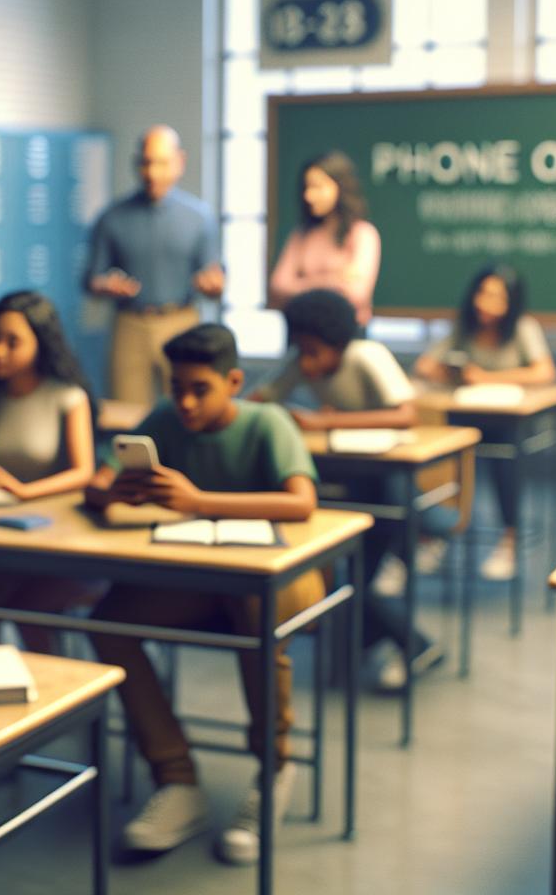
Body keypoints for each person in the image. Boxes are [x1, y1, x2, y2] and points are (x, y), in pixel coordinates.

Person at [84, 323, 321, 865]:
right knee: (108, 625)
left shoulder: (269, 422)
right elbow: (99, 480)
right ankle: (177, 780)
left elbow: (301, 503)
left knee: (253, 609)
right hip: (203, 581)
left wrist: (198, 501)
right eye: (176, 388)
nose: (185, 402)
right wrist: (112, 490)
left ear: (233, 381)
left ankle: (274, 767)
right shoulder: (166, 419)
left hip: (282, 582)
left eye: (200, 389)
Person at [250, 289, 452, 691]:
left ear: (339, 342)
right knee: (346, 581)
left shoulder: (366, 355)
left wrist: (328, 422)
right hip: (351, 484)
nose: (306, 364)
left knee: (349, 585)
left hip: (391, 487)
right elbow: (262, 397)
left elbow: (406, 414)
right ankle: (388, 641)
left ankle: (412, 643)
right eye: (299, 351)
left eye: (313, 352)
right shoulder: (301, 360)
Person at [0, 290, 100, 653]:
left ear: (40, 344)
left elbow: (84, 472)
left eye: (13, 342)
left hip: (62, 539)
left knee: (29, 616)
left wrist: (25, 491)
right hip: (10, 534)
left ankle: (61, 704)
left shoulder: (68, 397)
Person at [414, 264, 556, 580]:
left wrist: (488, 378)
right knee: (435, 455)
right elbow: (425, 364)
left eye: (496, 296)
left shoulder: (523, 328)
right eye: (482, 293)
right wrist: (449, 372)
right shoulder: (464, 327)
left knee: (505, 457)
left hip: (506, 421)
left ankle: (509, 539)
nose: (486, 303)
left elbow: (544, 372)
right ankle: (434, 533)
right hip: (463, 417)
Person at [84, 125, 224, 404]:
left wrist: (213, 286)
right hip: (130, 324)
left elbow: (213, 276)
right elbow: (91, 279)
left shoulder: (199, 217)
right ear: (137, 164)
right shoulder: (112, 217)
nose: (153, 173)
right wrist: (105, 285)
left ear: (179, 162)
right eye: (146, 163)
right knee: (126, 411)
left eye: (161, 163)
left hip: (181, 320)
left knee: (185, 407)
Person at [268, 150, 380, 328]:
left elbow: (357, 294)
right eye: (307, 187)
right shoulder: (302, 235)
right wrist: (334, 280)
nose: (309, 196)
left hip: (346, 335)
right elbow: (279, 287)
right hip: (303, 333)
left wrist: (302, 284)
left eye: (318, 187)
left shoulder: (362, 234)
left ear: (340, 187)